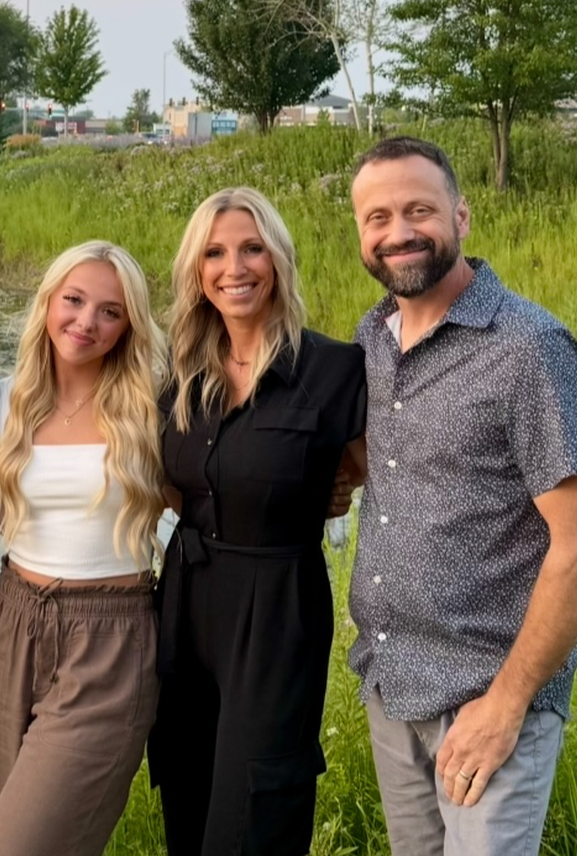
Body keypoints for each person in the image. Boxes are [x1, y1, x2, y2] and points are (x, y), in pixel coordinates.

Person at [347, 136, 577, 856]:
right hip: (393, 685)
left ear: (460, 216)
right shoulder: (372, 340)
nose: (398, 232)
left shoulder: (529, 348)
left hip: (488, 697)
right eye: (377, 217)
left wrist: (507, 704)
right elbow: (384, 466)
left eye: (419, 210)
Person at [150, 187, 367, 855]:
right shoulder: (178, 371)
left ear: (278, 258)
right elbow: (172, 482)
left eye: (252, 249)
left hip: (276, 608)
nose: (234, 268)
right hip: (185, 600)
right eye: (214, 253)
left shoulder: (332, 368)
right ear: (196, 270)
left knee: (254, 810)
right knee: (187, 796)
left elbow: (372, 466)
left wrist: (325, 491)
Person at [0, 241, 167, 856]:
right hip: (12, 623)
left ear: (129, 326)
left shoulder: (152, 406)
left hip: (110, 639)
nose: (86, 322)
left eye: (110, 311)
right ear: (47, 302)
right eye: (73, 300)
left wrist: (333, 486)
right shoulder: (4, 401)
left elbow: (221, 481)